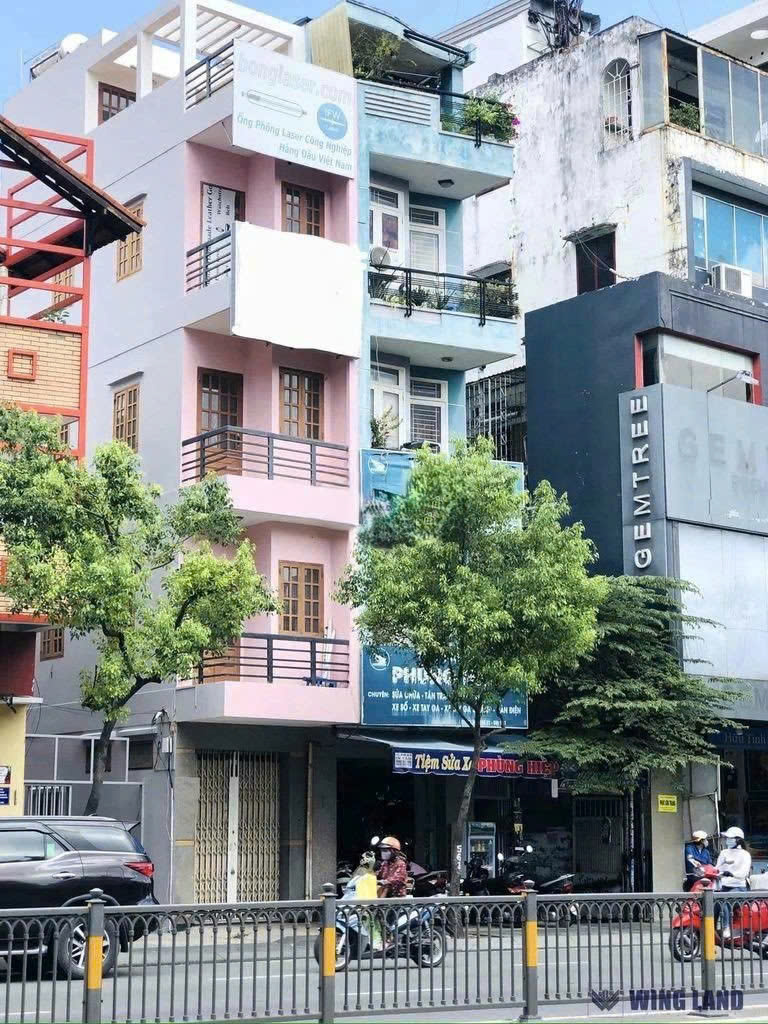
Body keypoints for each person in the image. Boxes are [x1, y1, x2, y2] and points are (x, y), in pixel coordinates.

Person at [716, 826, 752, 938]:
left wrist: (732, 874)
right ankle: (711, 929)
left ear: (738, 839)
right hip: (724, 886)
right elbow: (717, 868)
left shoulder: (745, 854)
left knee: (723, 899)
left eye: (730, 838)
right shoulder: (724, 852)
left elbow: (743, 873)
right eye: (726, 838)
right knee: (712, 903)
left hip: (739, 888)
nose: (727, 840)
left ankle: (726, 927)